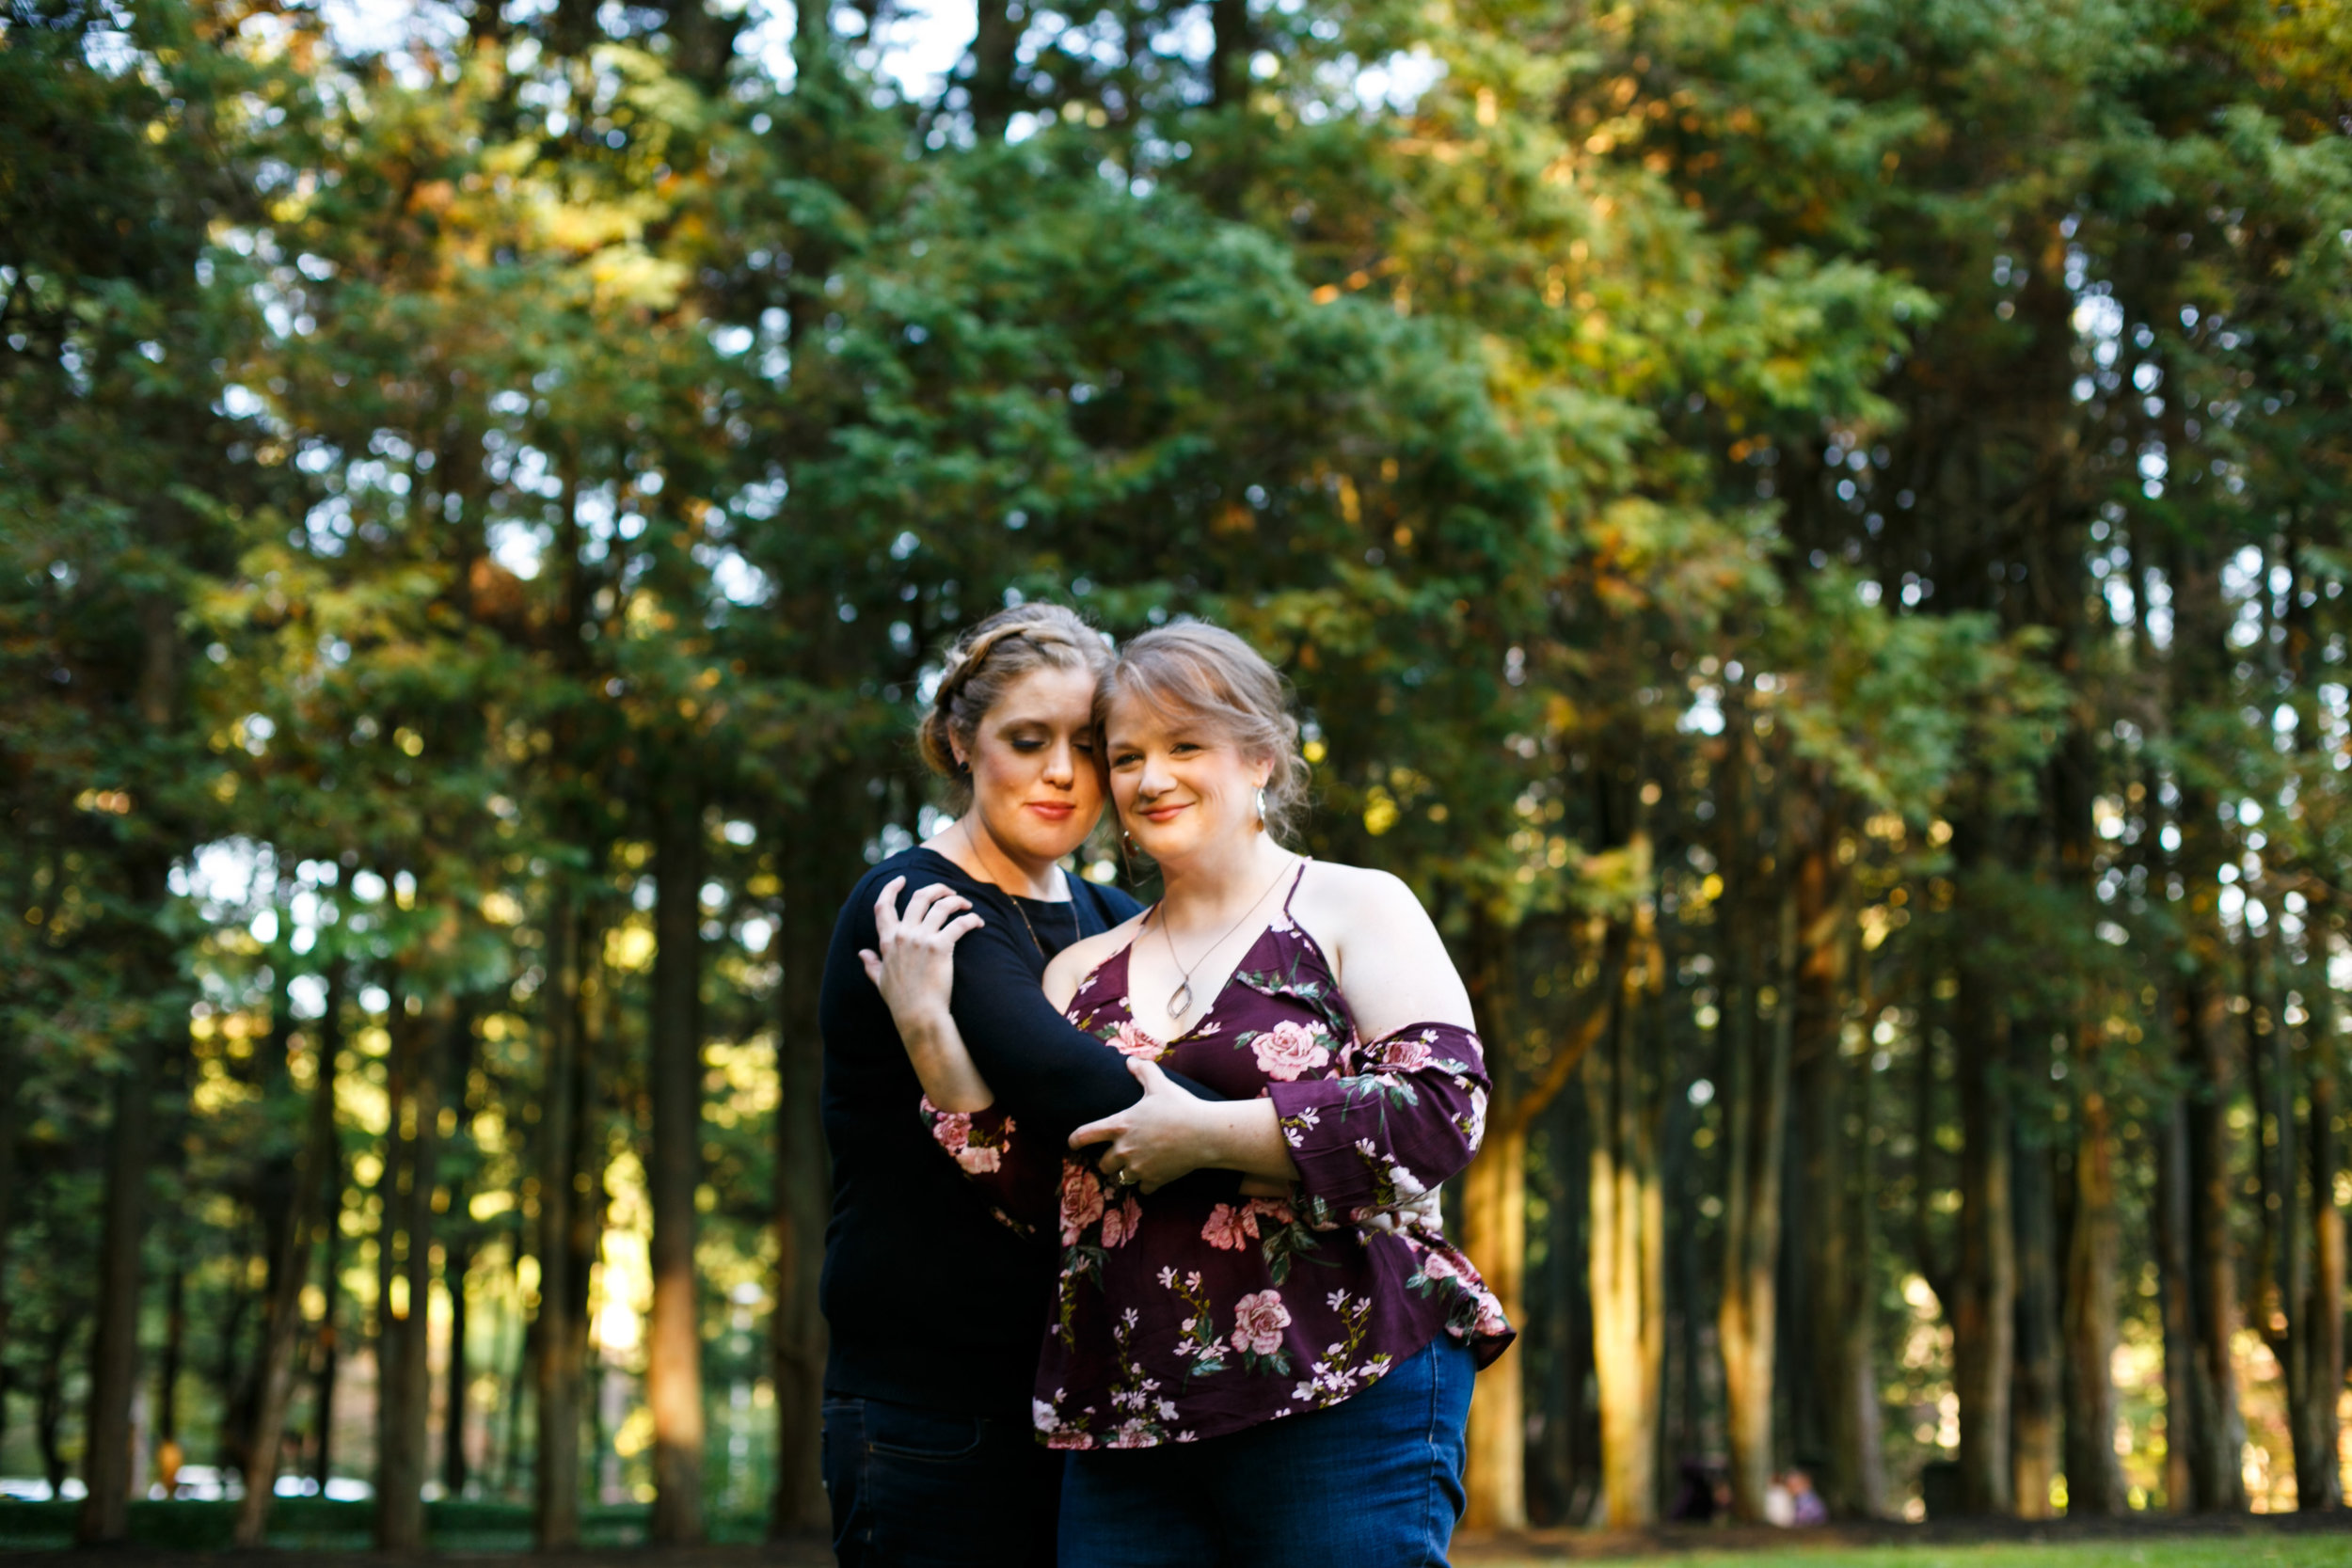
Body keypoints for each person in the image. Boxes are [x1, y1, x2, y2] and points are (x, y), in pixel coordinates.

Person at [864, 619, 1513, 1568]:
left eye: (1184, 745)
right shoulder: (1079, 970)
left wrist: (1209, 1133)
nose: (1150, 776)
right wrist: (927, 1029)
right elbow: (1045, 1199)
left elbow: (1441, 1106)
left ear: (1257, 755)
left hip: (1342, 1385)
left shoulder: (1350, 905)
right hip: (1128, 1419)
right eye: (1126, 755)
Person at [818, 604, 1236, 1568]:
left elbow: (1218, 1061)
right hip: (935, 1405)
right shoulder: (919, 903)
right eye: (1026, 739)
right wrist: (1306, 1144)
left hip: (1099, 1399)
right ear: (964, 742)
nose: (1061, 771)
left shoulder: (1115, 917)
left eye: (1088, 746)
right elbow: (1083, 1094)